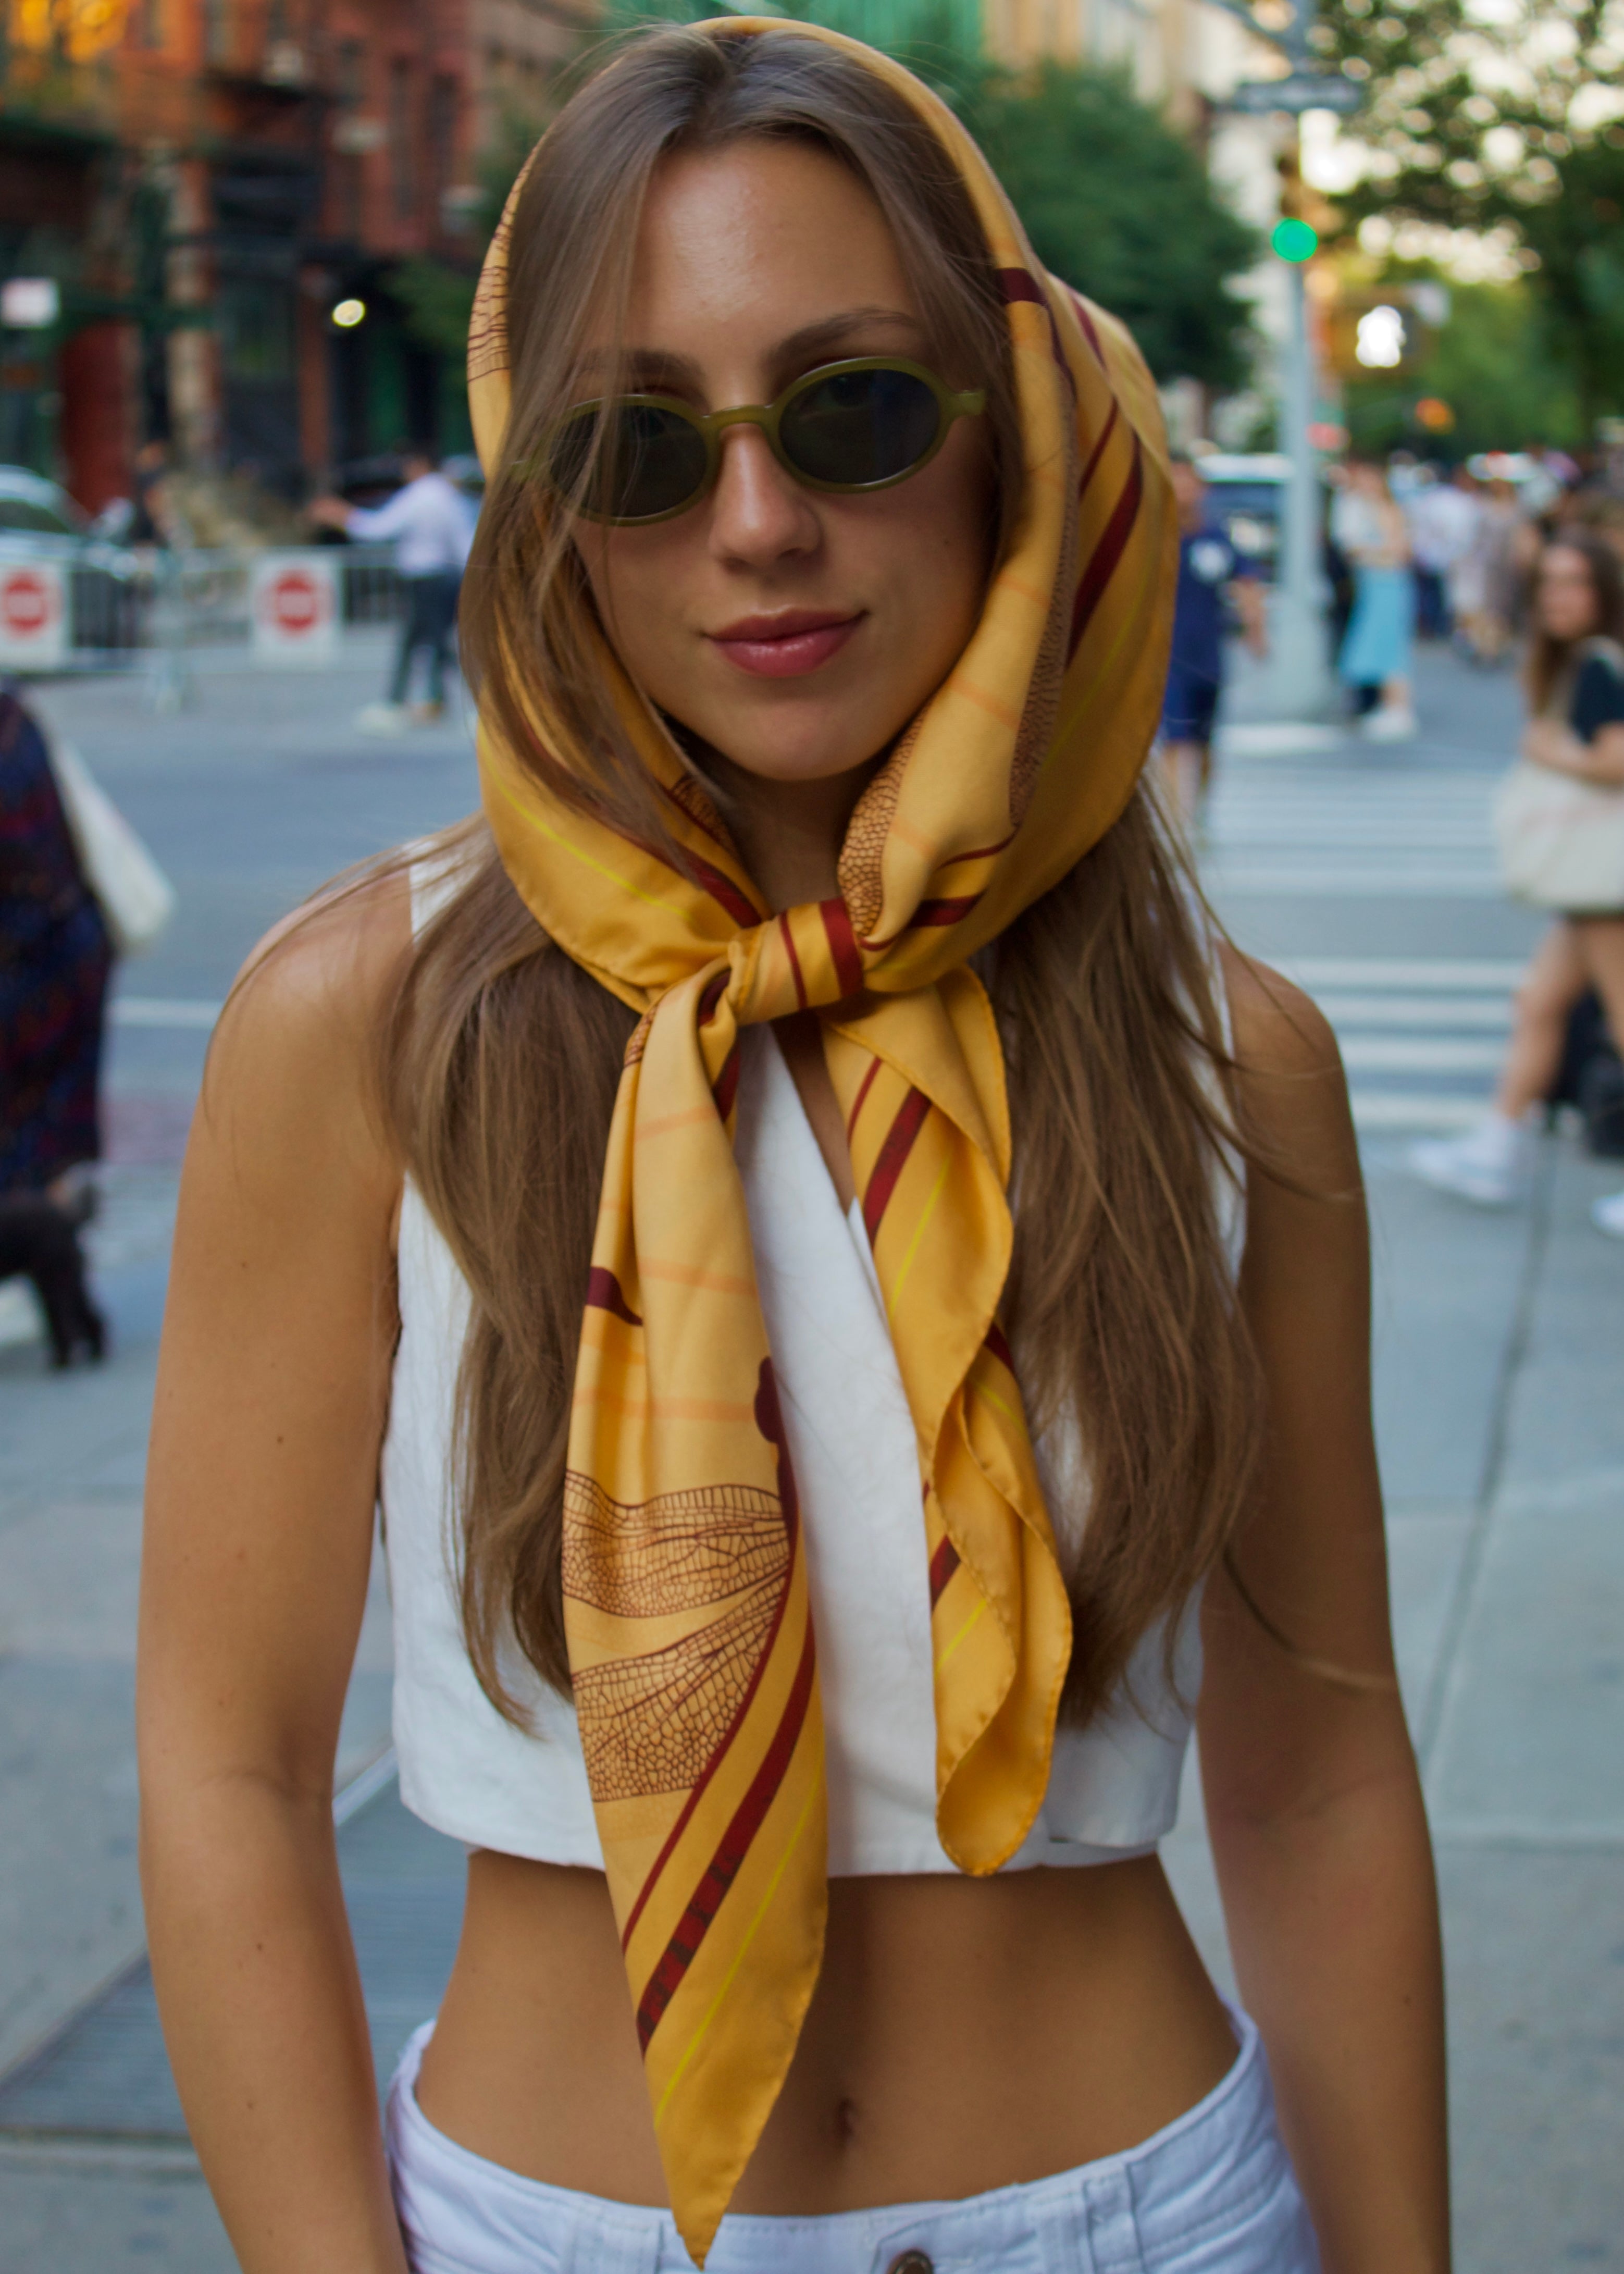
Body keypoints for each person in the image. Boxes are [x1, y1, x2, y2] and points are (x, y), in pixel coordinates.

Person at [139, 25, 1447, 2274]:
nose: (753, 523)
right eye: (636, 445)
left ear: (1005, 431)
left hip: (1146, 2212)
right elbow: (221, 1758)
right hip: (540, 2224)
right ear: (539, 495)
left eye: (849, 409)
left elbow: (1316, 1771)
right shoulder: (363, 1022)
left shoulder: (1225, 1061)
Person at [1410, 528, 1624, 1234]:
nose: (1558, 597)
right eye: (1550, 583)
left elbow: (1615, 762)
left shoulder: (1599, 667)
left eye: (1576, 584)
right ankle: (1497, 1145)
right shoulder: (1587, 664)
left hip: (1604, 874)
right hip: (1593, 877)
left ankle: (1497, 1147)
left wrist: (1547, 748)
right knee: (1537, 1002)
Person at [0, 683, 109, 1364]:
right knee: (41, 1132)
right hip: (68, 950)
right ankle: (64, 1294)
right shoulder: (18, 722)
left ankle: (48, 1292)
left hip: (30, 964)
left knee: (22, 1130)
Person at [311, 446, 474, 731]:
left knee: (420, 643)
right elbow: (462, 539)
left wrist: (342, 516)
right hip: (443, 577)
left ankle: (399, 702)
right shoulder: (446, 495)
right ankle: (436, 700)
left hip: (425, 579)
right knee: (433, 643)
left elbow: (379, 527)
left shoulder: (421, 495)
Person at [1159, 454, 1267, 822]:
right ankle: (1176, 817)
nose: (1182, 491)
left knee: (1204, 741)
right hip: (1166, 654)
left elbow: (1246, 582)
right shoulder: (1153, 538)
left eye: (1188, 482)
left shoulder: (1216, 537)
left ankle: (1200, 808)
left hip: (1208, 652)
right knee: (1174, 738)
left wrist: (1256, 629)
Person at [1331, 459, 1416, 738]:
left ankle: (1398, 709)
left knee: (1390, 649)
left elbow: (1399, 552)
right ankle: (1389, 707)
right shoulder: (1365, 511)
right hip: (1374, 586)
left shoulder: (1387, 511)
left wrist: (1368, 554)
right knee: (1379, 648)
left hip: (1387, 584)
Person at [1404, 464, 1476, 644]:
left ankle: (1435, 625)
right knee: (1438, 594)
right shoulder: (1453, 500)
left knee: (1436, 594)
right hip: (1442, 556)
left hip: (1439, 556)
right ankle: (1438, 626)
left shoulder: (1433, 499)